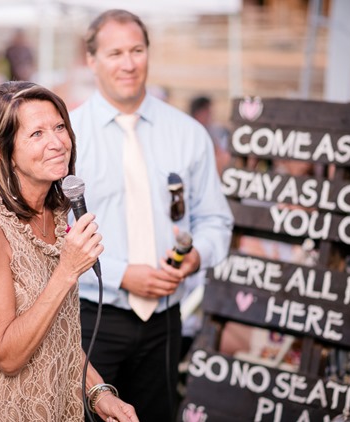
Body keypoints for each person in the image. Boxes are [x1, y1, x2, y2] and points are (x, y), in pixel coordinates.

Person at [0, 80, 138, 422]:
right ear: (1, 150)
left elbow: (58, 333)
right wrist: (67, 270)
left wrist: (98, 392)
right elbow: (7, 355)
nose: (57, 142)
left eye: (60, 127)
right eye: (37, 134)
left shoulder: (58, 215)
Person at [70, 10, 234, 421]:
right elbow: (53, 235)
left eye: (137, 50)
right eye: (115, 52)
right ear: (91, 60)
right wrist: (122, 272)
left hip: (165, 320)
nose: (128, 63)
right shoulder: (67, 136)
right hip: (91, 318)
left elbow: (217, 221)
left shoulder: (188, 133)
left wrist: (196, 256)